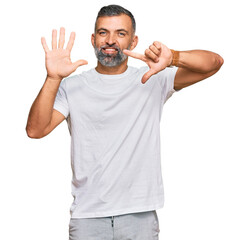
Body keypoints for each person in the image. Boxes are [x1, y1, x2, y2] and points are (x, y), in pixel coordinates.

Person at [26, 4, 224, 240]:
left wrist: (174, 57)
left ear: (133, 41)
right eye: (103, 32)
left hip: (139, 215)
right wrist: (53, 78)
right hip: (88, 216)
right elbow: (36, 130)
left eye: (120, 33)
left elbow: (214, 63)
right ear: (93, 39)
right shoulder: (72, 86)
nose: (110, 40)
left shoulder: (152, 78)